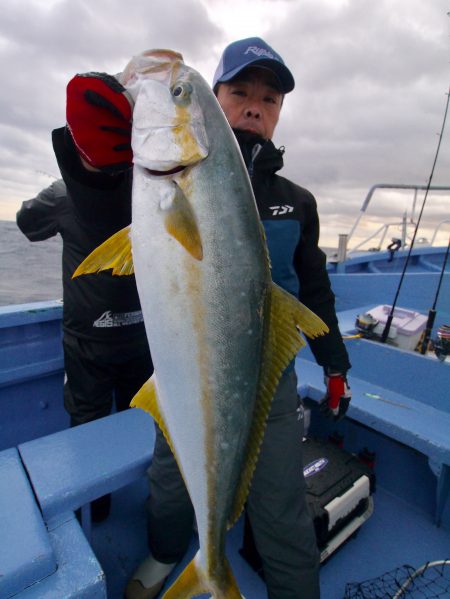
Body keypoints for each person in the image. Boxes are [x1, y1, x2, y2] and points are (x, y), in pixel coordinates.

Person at [62, 37, 351, 598]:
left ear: (279, 113)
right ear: (215, 100)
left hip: (270, 374)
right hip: (184, 373)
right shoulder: (155, 178)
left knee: (282, 505)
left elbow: (315, 290)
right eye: (239, 91)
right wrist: (92, 165)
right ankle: (171, 553)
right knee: (169, 485)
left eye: (268, 99)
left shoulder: (297, 199)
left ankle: (277, 583)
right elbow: (99, 206)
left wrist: (334, 365)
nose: (253, 106)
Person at [16, 142, 153, 522]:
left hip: (87, 342)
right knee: (139, 421)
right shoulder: (148, 195)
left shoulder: (63, 194)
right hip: (143, 337)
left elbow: (27, 223)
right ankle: (147, 500)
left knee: (86, 426)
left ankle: (96, 511)